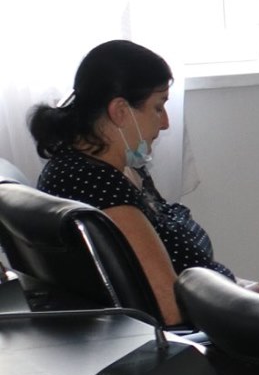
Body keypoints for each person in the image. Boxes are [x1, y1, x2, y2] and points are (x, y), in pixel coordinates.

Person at [30, 40, 246, 323]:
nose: (165, 122)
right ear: (120, 111)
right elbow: (169, 308)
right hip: (194, 333)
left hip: (213, 302)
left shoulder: (112, 168)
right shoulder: (99, 187)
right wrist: (241, 306)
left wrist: (236, 288)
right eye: (158, 107)